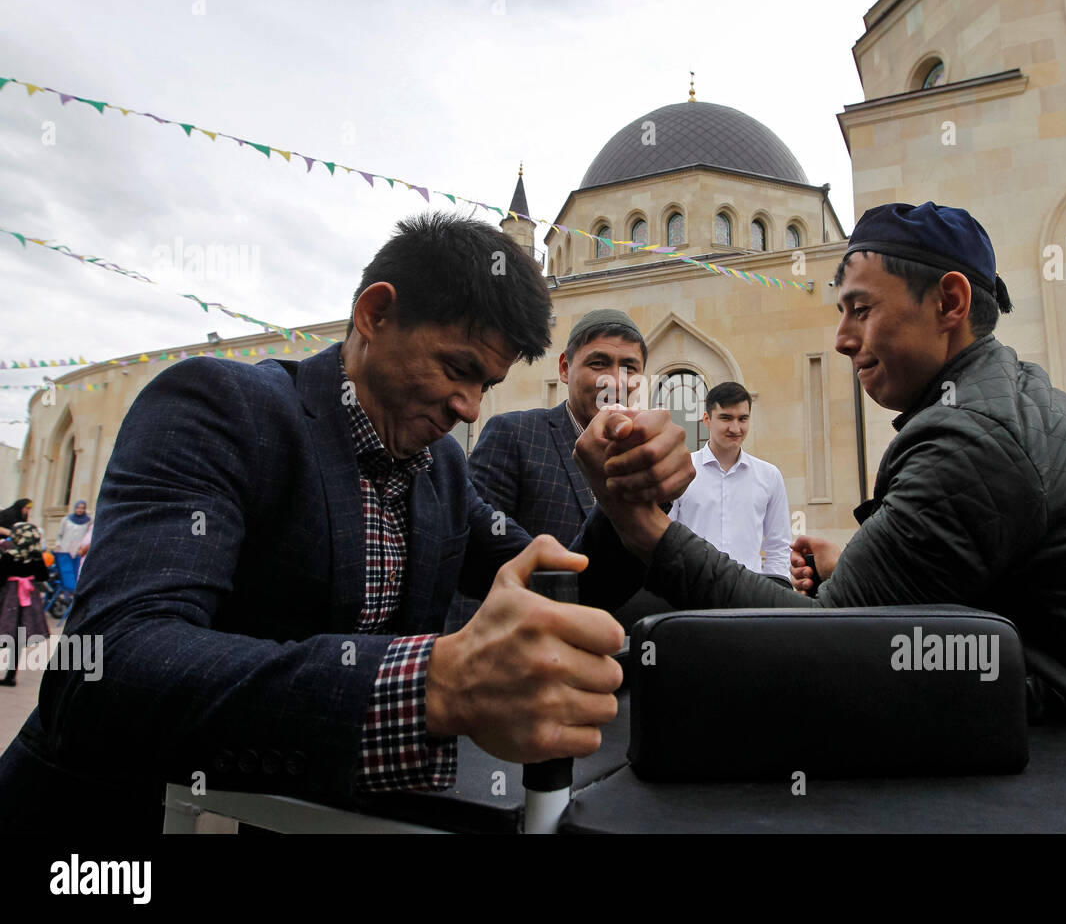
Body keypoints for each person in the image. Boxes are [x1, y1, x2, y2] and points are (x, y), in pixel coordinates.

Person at [574, 201, 1066, 833]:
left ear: (949, 302)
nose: (842, 338)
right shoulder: (1000, 396)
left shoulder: (974, 434)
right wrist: (862, 561)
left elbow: (821, 649)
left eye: (861, 308)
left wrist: (644, 528)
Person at [0, 211, 692, 831]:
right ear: (374, 313)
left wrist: (625, 511)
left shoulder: (440, 473)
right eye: (457, 368)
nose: (470, 406)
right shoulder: (220, 410)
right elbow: (111, 668)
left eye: (485, 383)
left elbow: (562, 586)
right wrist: (428, 682)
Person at [452, 309, 656, 630]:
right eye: (598, 363)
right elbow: (473, 561)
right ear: (565, 368)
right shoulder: (515, 435)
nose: (615, 380)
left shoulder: (643, 462)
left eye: (629, 367)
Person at [668, 382, 793, 585]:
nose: (735, 428)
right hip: (691, 591)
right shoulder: (680, 470)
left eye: (742, 419)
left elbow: (778, 546)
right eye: (726, 418)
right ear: (707, 420)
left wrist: (775, 594)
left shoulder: (769, 476)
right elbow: (666, 538)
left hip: (750, 595)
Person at [0, 522, 50, 687]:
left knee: (4, 629)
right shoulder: (36, 556)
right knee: (19, 636)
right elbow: (43, 576)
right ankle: (11, 675)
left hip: (9, 597)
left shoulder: (9, 554)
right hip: (28, 599)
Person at [52, 500, 92, 594]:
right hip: (65, 549)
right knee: (65, 572)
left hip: (78, 552)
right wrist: (58, 545)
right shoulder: (66, 520)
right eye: (78, 507)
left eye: (82, 508)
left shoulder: (88, 521)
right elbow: (60, 534)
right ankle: (63, 593)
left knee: (75, 572)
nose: (80, 510)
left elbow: (88, 536)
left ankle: (72, 592)